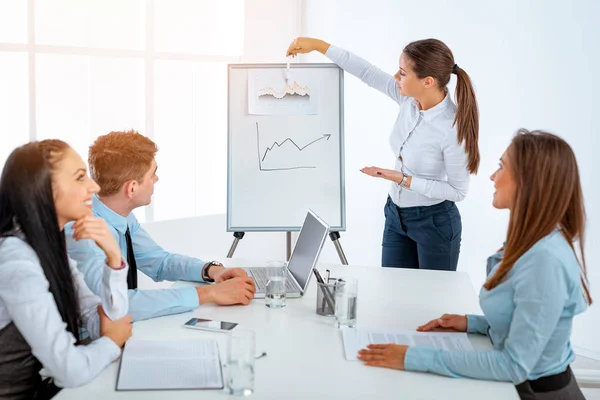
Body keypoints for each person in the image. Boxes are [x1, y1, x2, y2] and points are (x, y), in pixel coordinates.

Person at [357, 130, 591, 400]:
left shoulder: (545, 261)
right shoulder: (531, 240)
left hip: (535, 393)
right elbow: (525, 321)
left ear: (529, 182)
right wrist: (473, 324)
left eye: (502, 167)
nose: (492, 176)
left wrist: (414, 357)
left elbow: (515, 365)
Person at [287, 37, 480, 271]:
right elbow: (367, 72)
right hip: (395, 216)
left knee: (432, 303)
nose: (396, 77)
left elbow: (458, 192)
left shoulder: (452, 127)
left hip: (434, 223)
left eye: (403, 73)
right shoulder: (408, 99)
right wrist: (318, 45)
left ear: (427, 81)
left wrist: (402, 179)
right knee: (393, 295)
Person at [66, 130, 256, 322]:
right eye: (152, 173)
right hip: (91, 342)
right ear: (131, 188)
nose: (156, 179)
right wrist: (210, 294)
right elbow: (118, 304)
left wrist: (212, 271)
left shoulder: (120, 215)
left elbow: (159, 261)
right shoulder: (84, 233)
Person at [0, 140, 132, 399]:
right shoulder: (17, 264)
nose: (94, 187)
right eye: (80, 178)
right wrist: (110, 342)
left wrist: (114, 258)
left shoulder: (48, 246)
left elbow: (100, 320)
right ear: (42, 190)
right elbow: (69, 369)